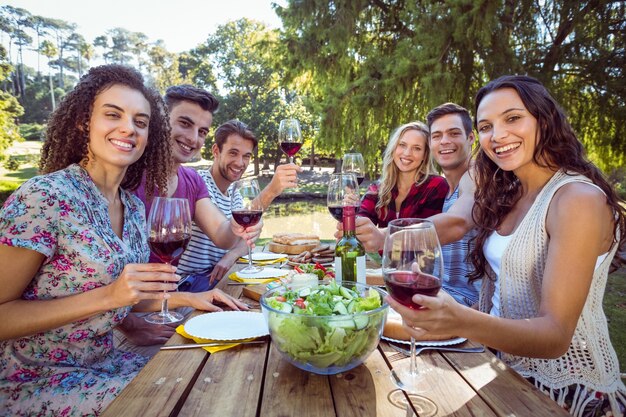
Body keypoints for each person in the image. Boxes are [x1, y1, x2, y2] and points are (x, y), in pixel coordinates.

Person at [0, 65, 245, 416]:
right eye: (113, 114)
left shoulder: (132, 207)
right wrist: (109, 297)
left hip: (106, 361)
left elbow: (127, 298)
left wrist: (192, 298)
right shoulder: (44, 197)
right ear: (84, 121)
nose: (128, 128)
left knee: (212, 377)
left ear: (151, 135)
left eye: (141, 122)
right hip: (34, 379)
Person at [388, 75, 626, 416]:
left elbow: (556, 335)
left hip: (566, 392)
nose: (497, 136)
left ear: (544, 120)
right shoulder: (509, 193)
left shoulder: (577, 199)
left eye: (512, 118)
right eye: (486, 126)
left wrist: (460, 320)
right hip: (501, 370)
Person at [118, 86, 262, 349]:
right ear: (160, 121)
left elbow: (222, 236)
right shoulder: (126, 177)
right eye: (185, 123)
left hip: (168, 304)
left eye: (202, 132)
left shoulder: (191, 180)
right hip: (127, 319)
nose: (193, 138)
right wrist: (127, 324)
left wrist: (242, 222)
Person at [176, 119, 301, 291]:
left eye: (246, 156)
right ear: (216, 151)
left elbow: (248, 233)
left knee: (285, 285)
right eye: (233, 153)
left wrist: (231, 255)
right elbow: (230, 231)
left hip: (217, 277)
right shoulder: (199, 184)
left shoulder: (235, 192)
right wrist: (271, 191)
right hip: (191, 282)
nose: (240, 163)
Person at [426, 103, 480, 306]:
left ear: (471, 138)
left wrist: (386, 236)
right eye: (437, 135)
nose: (445, 141)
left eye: (454, 133)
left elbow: (457, 223)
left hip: (470, 308)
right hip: (440, 296)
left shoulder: (479, 174)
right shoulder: (441, 189)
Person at [357, 121, 448, 226]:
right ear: (394, 148)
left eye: (417, 148)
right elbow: (359, 226)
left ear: (425, 155)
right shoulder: (377, 189)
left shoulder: (435, 186)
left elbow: (424, 234)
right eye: (402, 145)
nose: (407, 153)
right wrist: (350, 210)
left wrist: (376, 235)